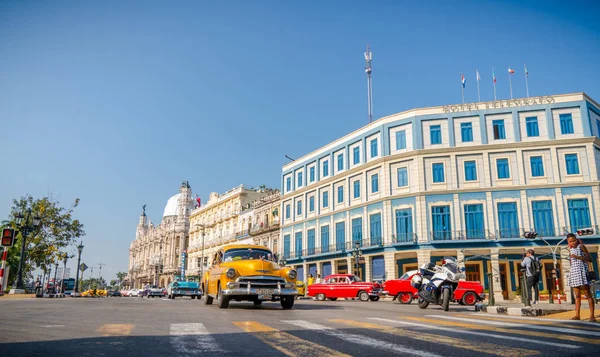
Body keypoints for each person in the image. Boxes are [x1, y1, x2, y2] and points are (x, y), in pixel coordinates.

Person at [567, 233, 596, 321]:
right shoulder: (570, 249)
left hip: (582, 271)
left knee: (587, 294)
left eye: (574, 240)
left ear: (576, 239)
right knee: (577, 295)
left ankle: (592, 316)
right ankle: (577, 315)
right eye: (570, 241)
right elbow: (572, 262)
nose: (573, 243)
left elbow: (590, 259)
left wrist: (578, 257)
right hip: (574, 272)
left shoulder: (581, 246)